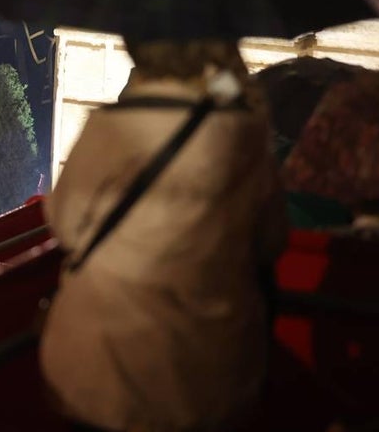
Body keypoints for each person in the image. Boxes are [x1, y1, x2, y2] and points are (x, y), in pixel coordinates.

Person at [39, 38, 288, 432]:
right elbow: (272, 239)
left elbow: (67, 225)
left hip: (101, 367)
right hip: (207, 371)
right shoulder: (245, 132)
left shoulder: (111, 126)